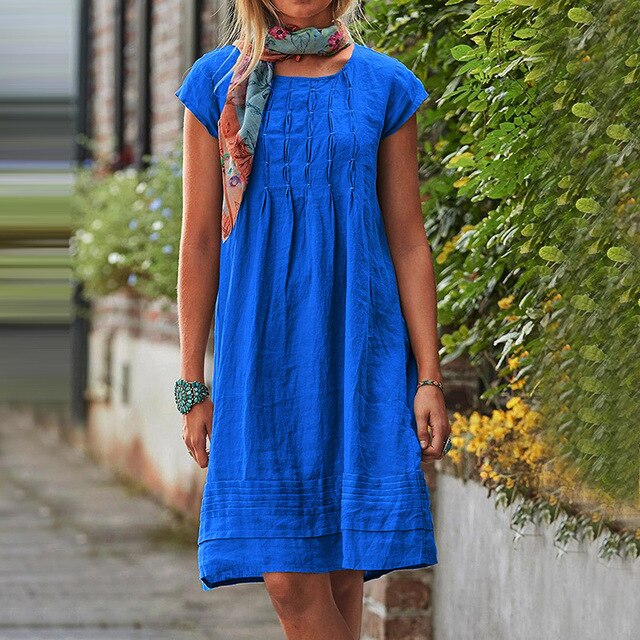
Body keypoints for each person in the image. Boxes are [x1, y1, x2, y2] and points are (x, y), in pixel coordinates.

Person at [174, 1, 451, 638]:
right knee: (290, 581)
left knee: (341, 568)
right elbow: (199, 242)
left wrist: (429, 377)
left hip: (359, 350)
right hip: (261, 357)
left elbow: (408, 240)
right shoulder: (215, 84)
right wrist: (192, 383)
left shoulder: (385, 85)